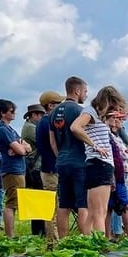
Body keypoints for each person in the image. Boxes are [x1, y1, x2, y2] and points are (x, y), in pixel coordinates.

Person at [69, 85, 127, 234]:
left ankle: (88, 244)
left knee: (93, 212)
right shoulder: (90, 112)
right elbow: (75, 127)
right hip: (100, 164)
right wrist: (94, 145)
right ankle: (100, 247)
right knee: (100, 212)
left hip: (98, 165)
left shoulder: (98, 115)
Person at [50, 76, 90, 236]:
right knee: (82, 203)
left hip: (62, 161)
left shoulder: (53, 113)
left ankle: (64, 241)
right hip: (79, 161)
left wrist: (60, 157)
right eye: (85, 91)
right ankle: (85, 240)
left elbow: (52, 141)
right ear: (77, 90)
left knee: (64, 204)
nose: (86, 95)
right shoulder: (79, 111)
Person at [0, 99, 31, 238]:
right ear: (3, 113)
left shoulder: (9, 128)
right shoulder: (2, 129)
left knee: (14, 201)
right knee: (12, 203)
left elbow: (26, 146)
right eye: (11, 111)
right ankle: (10, 235)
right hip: (12, 169)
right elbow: (21, 149)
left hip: (18, 168)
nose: (14, 113)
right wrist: (21, 148)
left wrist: (22, 147)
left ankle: (10, 234)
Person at [36, 91, 65, 243]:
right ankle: (53, 241)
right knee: (52, 208)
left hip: (49, 168)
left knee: (54, 206)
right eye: (58, 104)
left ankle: (53, 240)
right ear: (51, 105)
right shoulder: (48, 122)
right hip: (51, 169)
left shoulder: (43, 121)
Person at [107, 112, 128, 239]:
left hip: (120, 174)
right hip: (115, 175)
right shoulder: (109, 136)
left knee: (117, 205)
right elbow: (124, 154)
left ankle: (117, 233)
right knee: (122, 204)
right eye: (116, 118)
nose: (120, 121)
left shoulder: (118, 137)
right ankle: (122, 233)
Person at [21, 103, 46, 236]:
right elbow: (44, 141)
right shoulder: (31, 128)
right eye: (40, 115)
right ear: (34, 115)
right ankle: (38, 232)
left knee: (39, 201)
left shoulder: (31, 126)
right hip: (35, 168)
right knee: (38, 202)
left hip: (36, 167)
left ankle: (40, 231)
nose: (42, 117)